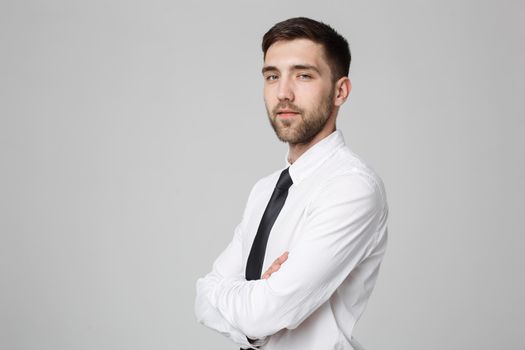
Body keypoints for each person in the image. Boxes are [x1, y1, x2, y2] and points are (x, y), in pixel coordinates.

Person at [194, 17, 388, 350]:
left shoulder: (352, 189)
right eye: (272, 76)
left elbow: (263, 313)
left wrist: (241, 301)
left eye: (303, 75)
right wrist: (253, 303)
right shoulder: (265, 190)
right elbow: (202, 298)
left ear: (340, 91)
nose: (283, 93)